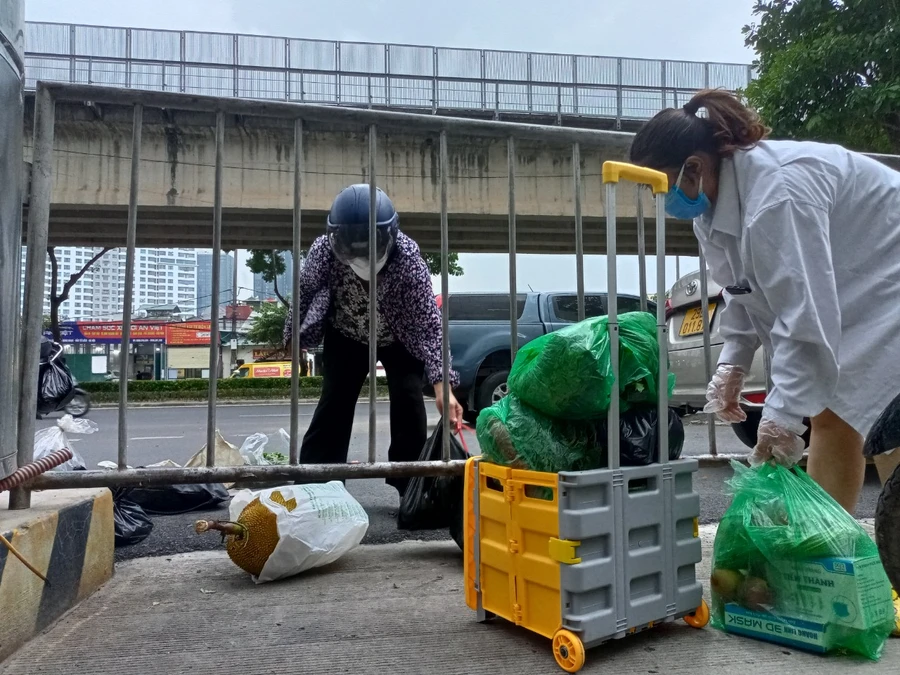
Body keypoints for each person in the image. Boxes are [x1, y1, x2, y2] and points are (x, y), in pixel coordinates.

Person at [630, 89, 900, 632]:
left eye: (660, 184)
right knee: (849, 421)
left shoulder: (776, 194)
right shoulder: (710, 207)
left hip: (884, 273)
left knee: (843, 417)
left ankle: (844, 573)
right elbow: (742, 292)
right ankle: (852, 575)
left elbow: (803, 317)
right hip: (855, 280)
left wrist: (781, 414)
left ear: (693, 165)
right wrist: (732, 362)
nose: (662, 199)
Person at [283, 184, 463, 497]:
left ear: (389, 235)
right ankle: (316, 484)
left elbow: (429, 325)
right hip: (347, 333)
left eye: (370, 246)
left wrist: (442, 385)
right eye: (352, 248)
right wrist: (293, 337)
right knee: (335, 401)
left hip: (398, 336)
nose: (362, 256)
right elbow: (304, 291)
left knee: (408, 400)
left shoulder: (408, 260)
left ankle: (410, 483)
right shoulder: (323, 251)